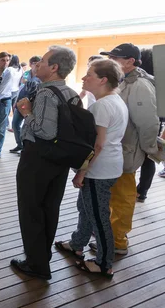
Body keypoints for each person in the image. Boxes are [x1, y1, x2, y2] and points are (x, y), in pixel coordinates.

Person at [54, 59, 128, 278]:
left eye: (89, 75)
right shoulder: (115, 100)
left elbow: (98, 143)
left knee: (98, 215)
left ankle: (104, 264)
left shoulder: (102, 106)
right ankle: (77, 242)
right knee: (85, 207)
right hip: (110, 166)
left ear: (103, 80)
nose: (84, 78)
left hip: (100, 170)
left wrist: (82, 171)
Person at [10, 46, 79, 280]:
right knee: (50, 208)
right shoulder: (71, 93)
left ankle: (36, 263)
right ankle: (42, 256)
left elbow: (44, 131)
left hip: (38, 158)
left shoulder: (46, 93)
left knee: (30, 209)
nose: (37, 64)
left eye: (43, 61)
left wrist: (27, 112)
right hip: (59, 160)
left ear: (54, 68)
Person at [99, 43, 159, 254]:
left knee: (123, 196)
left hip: (128, 151)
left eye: (114, 58)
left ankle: (117, 241)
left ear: (130, 61)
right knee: (112, 196)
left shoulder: (140, 85)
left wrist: (147, 149)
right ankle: (107, 236)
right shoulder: (123, 81)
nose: (110, 61)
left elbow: (148, 123)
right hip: (116, 150)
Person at [136, 48, 159, 202]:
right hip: (156, 124)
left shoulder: (142, 82)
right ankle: (142, 191)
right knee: (149, 157)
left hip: (139, 123)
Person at [10, 56, 41, 154]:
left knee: (27, 127)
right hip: (21, 101)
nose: (36, 65)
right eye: (34, 63)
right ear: (30, 64)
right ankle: (19, 144)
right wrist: (16, 102)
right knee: (15, 124)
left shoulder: (41, 76)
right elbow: (21, 87)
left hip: (32, 104)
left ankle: (26, 147)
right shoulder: (26, 73)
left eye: (38, 63)